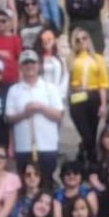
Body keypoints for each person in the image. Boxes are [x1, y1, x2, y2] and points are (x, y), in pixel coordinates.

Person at [6, 49, 64, 184]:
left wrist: (41, 108)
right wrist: (25, 113)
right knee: (25, 183)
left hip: (47, 145)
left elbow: (59, 115)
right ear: (20, 67)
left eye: (33, 63)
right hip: (23, 146)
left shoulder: (50, 88)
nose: (29, 66)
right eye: (25, 63)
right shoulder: (14, 90)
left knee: (47, 182)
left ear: (39, 65)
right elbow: (9, 118)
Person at [68, 29, 109, 162]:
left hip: (93, 95)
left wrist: (103, 104)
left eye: (84, 38)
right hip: (78, 96)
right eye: (77, 40)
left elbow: (103, 83)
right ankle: (87, 153)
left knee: (92, 132)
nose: (81, 42)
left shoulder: (98, 59)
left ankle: (88, 157)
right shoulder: (72, 59)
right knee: (85, 132)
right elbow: (69, 81)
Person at [35, 27, 68, 95]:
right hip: (41, 94)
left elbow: (65, 78)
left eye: (49, 38)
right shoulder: (37, 59)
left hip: (57, 94)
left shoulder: (61, 59)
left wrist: (59, 95)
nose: (46, 41)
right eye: (44, 39)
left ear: (54, 40)